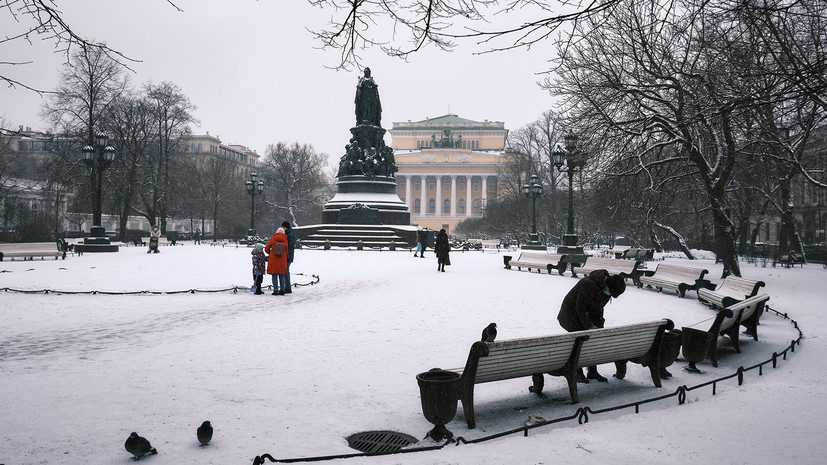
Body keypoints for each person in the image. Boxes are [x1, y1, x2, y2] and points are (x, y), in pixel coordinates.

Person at [557, 269, 626, 383]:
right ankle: (577, 372)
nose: (609, 295)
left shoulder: (607, 290)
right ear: (607, 285)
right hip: (571, 315)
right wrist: (589, 325)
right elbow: (580, 308)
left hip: (585, 314)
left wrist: (599, 324)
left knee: (593, 341)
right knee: (578, 341)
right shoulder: (588, 284)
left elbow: (599, 307)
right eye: (610, 292)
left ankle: (592, 372)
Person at [265, 227, 289, 295]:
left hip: (273, 260)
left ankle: (275, 290)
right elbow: (286, 251)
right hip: (282, 260)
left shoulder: (273, 239)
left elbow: (266, 248)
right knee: (282, 275)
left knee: (274, 275)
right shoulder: (285, 240)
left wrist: (271, 253)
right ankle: (282, 290)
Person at [281, 221, 296, 294]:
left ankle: (287, 287)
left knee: (285, 271)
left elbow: (290, 247)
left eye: (283, 227)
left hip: (287, 256)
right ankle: (286, 286)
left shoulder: (290, 235)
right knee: (285, 271)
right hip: (286, 255)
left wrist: (288, 256)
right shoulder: (287, 234)